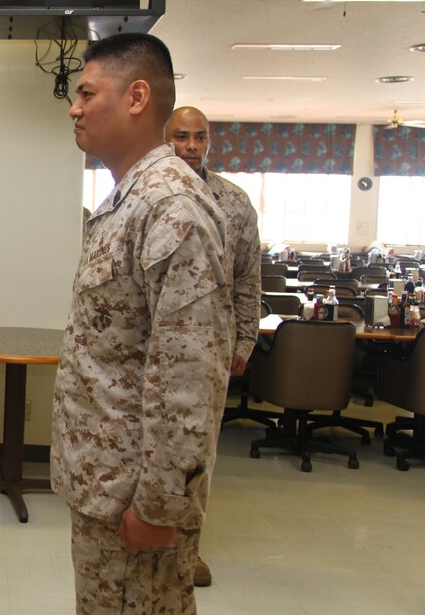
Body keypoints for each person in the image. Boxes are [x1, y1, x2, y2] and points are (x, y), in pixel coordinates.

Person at [50, 33, 234, 614]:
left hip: (135, 494)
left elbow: (191, 376)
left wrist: (159, 505)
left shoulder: (172, 207)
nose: (74, 107)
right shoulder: (125, 202)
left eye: (86, 93)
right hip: (103, 481)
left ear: (136, 96)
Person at [167, 105, 261, 588]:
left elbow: (247, 278)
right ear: (166, 139)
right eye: (181, 136)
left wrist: (244, 339)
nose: (191, 146)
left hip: (209, 347)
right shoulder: (147, 194)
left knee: (196, 456)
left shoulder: (234, 202)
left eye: (199, 137)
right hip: (152, 346)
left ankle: (188, 551)